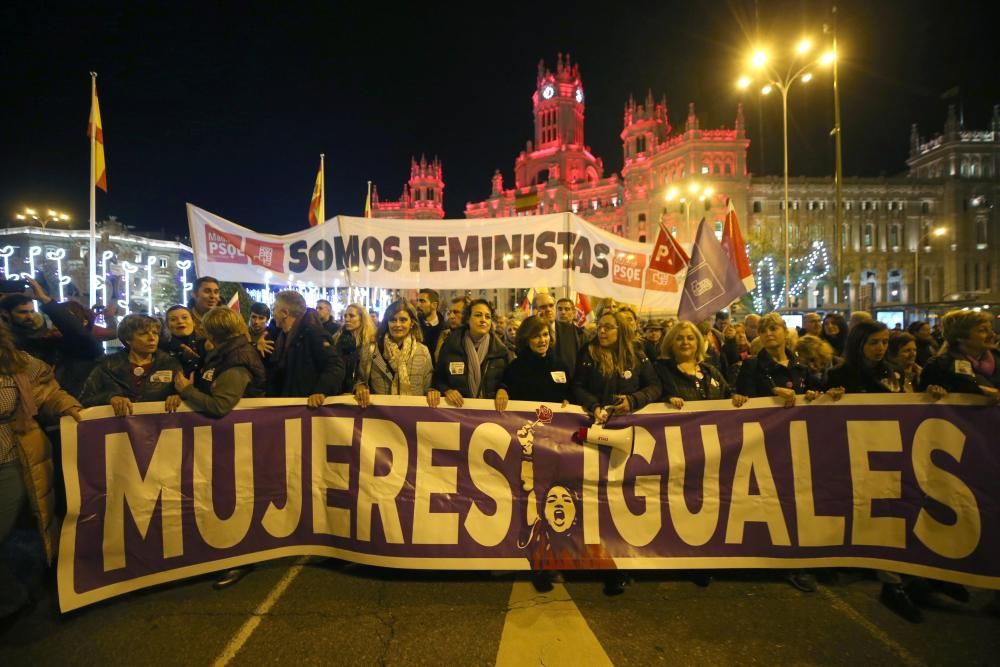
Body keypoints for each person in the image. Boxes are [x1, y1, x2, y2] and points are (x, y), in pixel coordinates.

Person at [825, 319, 948, 623]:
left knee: (904, 511)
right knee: (880, 517)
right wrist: (830, 399)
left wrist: (927, 394)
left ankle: (911, 576)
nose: (880, 349)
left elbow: (908, 404)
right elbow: (820, 415)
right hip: (861, 457)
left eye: (883, 342)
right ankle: (892, 584)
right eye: (873, 343)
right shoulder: (841, 374)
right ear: (859, 345)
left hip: (897, 453)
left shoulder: (894, 372)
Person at [0, 323, 82, 618]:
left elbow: (48, 394)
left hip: (10, 461)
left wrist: (69, 407)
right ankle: (13, 597)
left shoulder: (18, 363)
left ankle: (12, 600)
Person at [170, 307, 266, 417]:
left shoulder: (237, 359)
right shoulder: (225, 352)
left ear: (213, 334)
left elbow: (219, 407)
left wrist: (187, 390)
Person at [80, 315, 182, 415]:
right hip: (117, 429)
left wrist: (179, 397)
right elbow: (85, 399)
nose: (152, 338)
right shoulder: (107, 365)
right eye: (143, 334)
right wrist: (109, 398)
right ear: (128, 339)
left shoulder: (170, 364)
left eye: (155, 333)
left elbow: (186, 393)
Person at [571, 310, 661, 425]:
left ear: (621, 330)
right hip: (596, 422)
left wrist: (633, 400)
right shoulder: (588, 353)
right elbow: (577, 387)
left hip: (630, 423)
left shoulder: (636, 354)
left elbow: (655, 386)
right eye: (599, 327)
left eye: (608, 327)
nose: (601, 331)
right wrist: (593, 405)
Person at [264, 290, 345, 406]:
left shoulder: (313, 334)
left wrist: (320, 391)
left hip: (304, 409)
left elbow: (336, 366)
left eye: (274, 309)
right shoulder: (281, 335)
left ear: (285, 313)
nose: (273, 314)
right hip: (285, 405)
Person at [431, 299, 513, 409]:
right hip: (460, 411)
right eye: (478, 315)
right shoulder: (451, 346)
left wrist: (504, 389)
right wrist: (447, 390)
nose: (483, 320)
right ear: (468, 319)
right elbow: (438, 378)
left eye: (487, 317)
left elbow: (510, 379)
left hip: (492, 413)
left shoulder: (501, 350)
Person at [354, 300, 434, 407]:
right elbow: (360, 379)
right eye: (393, 320)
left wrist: (432, 391)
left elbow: (428, 386)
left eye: (403, 320)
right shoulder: (371, 349)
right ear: (387, 323)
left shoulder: (423, 351)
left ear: (412, 323)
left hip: (413, 415)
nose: (397, 324)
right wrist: (360, 387)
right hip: (380, 415)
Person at [656, 320, 748, 409]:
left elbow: (728, 393)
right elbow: (655, 397)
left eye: (690, 338)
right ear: (670, 343)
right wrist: (668, 400)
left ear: (698, 343)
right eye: (679, 338)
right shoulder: (661, 370)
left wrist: (736, 397)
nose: (685, 342)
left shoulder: (710, 370)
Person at [919, 309, 1000, 402]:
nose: (992, 334)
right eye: (982, 330)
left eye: (990, 329)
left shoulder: (998, 359)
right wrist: (934, 391)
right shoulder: (939, 365)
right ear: (960, 338)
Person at [501, 315, 572, 404]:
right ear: (526, 339)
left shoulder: (560, 365)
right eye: (536, 336)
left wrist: (568, 399)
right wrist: (502, 390)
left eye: (545, 334)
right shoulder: (516, 367)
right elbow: (505, 386)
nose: (542, 340)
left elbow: (570, 392)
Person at [533, 292, 585, 381]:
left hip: (568, 387)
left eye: (551, 305)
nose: (548, 309)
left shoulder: (570, 330)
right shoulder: (529, 332)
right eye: (543, 307)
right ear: (535, 310)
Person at [332, 303, 376, 394]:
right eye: (345, 316)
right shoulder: (336, 338)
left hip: (362, 391)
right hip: (337, 390)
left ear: (361, 318)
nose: (347, 319)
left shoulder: (371, 342)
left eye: (351, 316)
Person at [161, 305, 203, 377]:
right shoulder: (162, 348)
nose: (180, 321)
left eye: (184, 317)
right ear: (167, 326)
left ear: (194, 322)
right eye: (173, 319)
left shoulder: (206, 344)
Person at [435, 296, 470, 361]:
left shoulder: (475, 338)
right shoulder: (444, 336)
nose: (451, 316)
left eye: (456, 312)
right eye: (450, 313)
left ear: (468, 315)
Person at [415, 289, 445, 354]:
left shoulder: (446, 328)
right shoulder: (414, 326)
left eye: (422, 301)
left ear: (434, 305)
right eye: (417, 301)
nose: (418, 305)